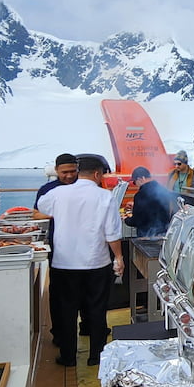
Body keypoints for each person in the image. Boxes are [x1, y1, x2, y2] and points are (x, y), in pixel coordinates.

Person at [27, 154, 124, 367]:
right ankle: (96, 356)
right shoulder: (105, 197)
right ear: (98, 174)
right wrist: (118, 257)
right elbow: (112, 233)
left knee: (66, 310)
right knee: (97, 310)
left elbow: (41, 210)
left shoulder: (56, 193)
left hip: (64, 263)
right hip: (96, 262)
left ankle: (68, 356)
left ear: (79, 172)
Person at [128, 165, 176, 242]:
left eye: (134, 182)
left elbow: (137, 220)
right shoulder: (163, 190)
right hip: (163, 235)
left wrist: (126, 220)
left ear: (141, 179)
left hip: (146, 237)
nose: (135, 184)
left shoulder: (140, 195)